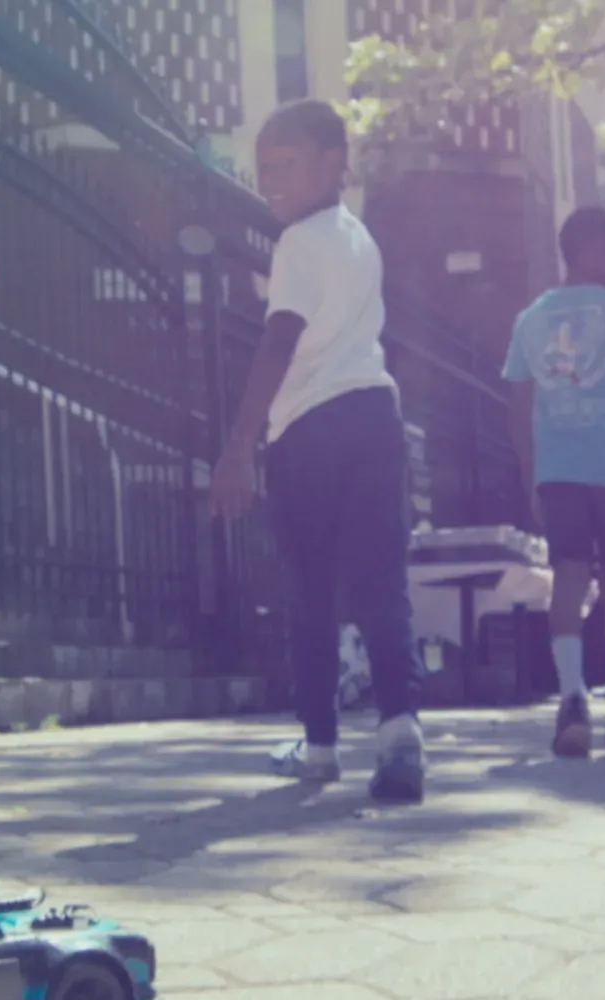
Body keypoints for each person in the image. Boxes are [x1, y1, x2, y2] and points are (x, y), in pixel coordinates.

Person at [210, 98, 426, 803]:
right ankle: (400, 732)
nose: (271, 181)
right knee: (379, 579)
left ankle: (321, 746)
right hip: (374, 414)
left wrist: (241, 441)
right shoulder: (360, 238)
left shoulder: (300, 243)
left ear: (335, 164)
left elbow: (280, 339)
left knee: (311, 591)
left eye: (286, 165)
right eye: (262, 169)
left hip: (309, 428)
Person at [504, 206, 605, 758]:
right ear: (596, 248)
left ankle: (572, 700)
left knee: (568, 576)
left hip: (558, 469)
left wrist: (531, 475)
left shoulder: (529, 318)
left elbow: (518, 403)